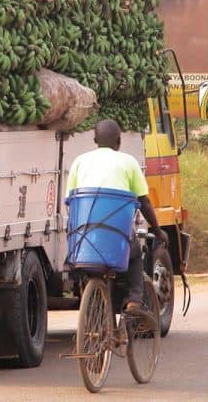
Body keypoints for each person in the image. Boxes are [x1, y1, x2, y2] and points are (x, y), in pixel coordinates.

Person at [67, 119, 169, 314]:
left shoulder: (79, 162)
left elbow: (70, 201)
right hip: (116, 240)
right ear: (118, 142)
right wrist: (157, 231)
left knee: (89, 268)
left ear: (95, 140)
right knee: (136, 254)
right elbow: (144, 202)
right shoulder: (128, 162)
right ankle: (134, 300)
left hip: (84, 241)